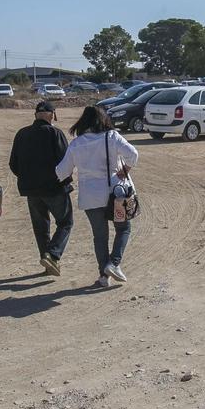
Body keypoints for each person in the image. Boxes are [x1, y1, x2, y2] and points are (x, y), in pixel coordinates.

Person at [55, 105, 139, 287]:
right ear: (104, 120)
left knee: (100, 237)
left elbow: (62, 172)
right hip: (114, 194)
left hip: (90, 197)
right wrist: (125, 170)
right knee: (123, 228)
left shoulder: (76, 144)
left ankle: (103, 276)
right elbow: (133, 154)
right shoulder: (112, 137)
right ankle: (114, 263)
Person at [8, 101, 73, 276]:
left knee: (40, 226)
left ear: (36, 115)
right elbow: (66, 162)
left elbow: (13, 164)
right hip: (55, 188)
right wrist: (66, 181)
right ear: (52, 115)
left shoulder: (22, 134)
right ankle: (52, 255)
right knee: (66, 222)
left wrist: (28, 179)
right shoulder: (55, 133)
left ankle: (48, 263)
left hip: (31, 190)